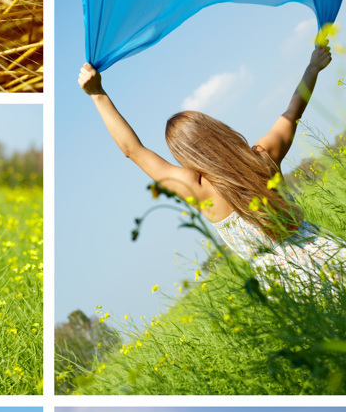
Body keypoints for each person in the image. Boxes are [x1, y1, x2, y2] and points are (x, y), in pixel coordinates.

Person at [79, 47, 346, 291]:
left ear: (185, 155)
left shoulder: (199, 189)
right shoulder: (262, 158)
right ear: (217, 130)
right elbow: (292, 111)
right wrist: (312, 68)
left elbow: (132, 150)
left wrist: (97, 94)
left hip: (293, 290)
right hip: (332, 257)